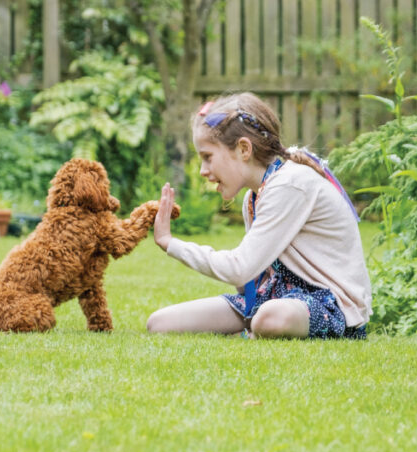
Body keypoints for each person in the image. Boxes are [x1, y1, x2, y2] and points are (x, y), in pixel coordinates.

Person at [147, 92, 372, 339]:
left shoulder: (290, 185)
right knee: (160, 323)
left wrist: (170, 243)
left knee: (269, 318)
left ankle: (255, 330)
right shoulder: (253, 198)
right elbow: (248, 280)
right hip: (275, 297)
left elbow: (239, 269)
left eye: (208, 157)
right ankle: (254, 330)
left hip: (330, 307)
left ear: (244, 149)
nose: (203, 171)